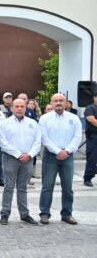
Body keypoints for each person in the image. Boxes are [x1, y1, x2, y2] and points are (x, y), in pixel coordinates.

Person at [38, 93, 82, 225]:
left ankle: (67, 214)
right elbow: (44, 138)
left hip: (68, 155)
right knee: (47, 186)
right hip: (50, 155)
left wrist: (67, 151)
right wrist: (58, 151)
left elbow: (77, 136)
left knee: (68, 187)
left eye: (61, 100)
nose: (58, 103)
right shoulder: (44, 119)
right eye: (55, 100)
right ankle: (44, 213)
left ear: (65, 103)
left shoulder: (73, 118)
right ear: (51, 103)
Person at [0, 99, 41, 225]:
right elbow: (3, 143)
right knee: (8, 187)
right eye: (17, 106)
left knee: (23, 188)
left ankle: (24, 214)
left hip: (28, 159)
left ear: (26, 108)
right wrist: (18, 154)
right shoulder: (5, 124)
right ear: (12, 108)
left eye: (22, 106)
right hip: (10, 158)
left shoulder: (33, 123)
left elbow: (37, 142)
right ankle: (5, 213)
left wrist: (30, 155)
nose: (19, 109)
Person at [84, 90, 97, 187]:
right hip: (93, 137)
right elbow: (92, 120)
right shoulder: (90, 108)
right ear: (94, 98)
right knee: (92, 159)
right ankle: (88, 178)